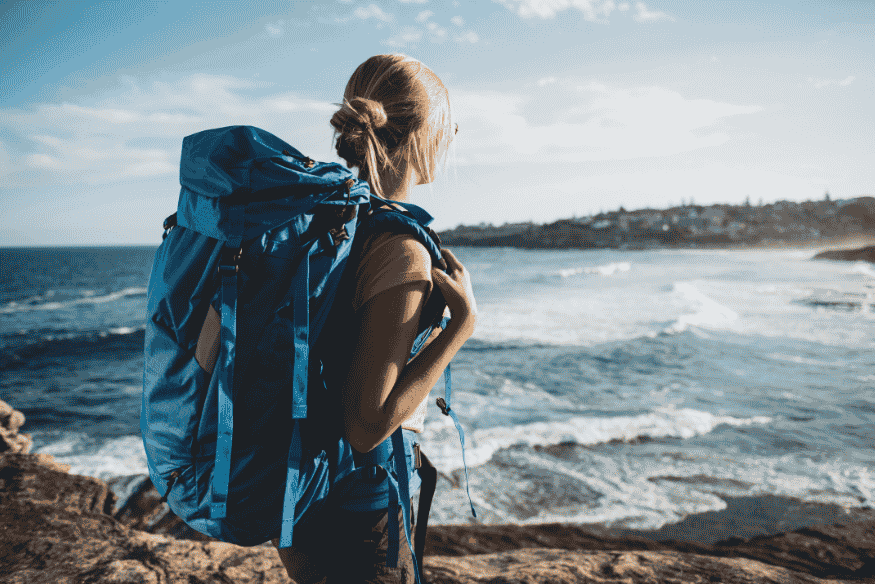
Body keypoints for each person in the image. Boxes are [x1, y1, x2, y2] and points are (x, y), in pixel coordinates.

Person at [272, 54, 477, 583]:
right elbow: (367, 426)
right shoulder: (401, 248)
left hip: (301, 498)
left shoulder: (327, 222)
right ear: (421, 131)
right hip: (358, 514)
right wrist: (460, 328)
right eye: (448, 123)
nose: (453, 135)